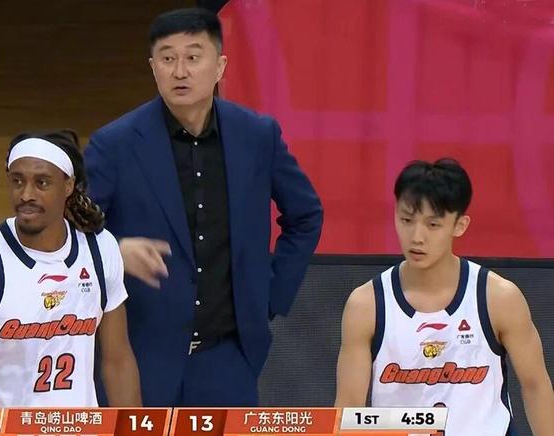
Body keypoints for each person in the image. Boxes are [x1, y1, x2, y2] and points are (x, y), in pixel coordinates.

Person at [84, 8, 323, 406]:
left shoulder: (257, 136)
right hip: (140, 354)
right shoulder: (115, 144)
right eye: (167, 58)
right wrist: (115, 251)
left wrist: (269, 296)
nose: (180, 71)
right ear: (152, 67)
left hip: (228, 356)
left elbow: (305, 215)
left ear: (220, 66)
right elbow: (71, 233)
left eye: (193, 57)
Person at [334, 159, 554, 435]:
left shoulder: (498, 298)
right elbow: (349, 408)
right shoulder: (366, 305)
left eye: (433, 224)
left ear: (460, 225)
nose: (417, 237)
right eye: (406, 220)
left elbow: (535, 386)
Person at [0, 130, 141, 407]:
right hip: (7, 425)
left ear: (68, 186)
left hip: (80, 424)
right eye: (17, 181)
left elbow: (117, 361)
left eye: (41, 183)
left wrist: (133, 426)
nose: (26, 195)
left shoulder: (100, 249)